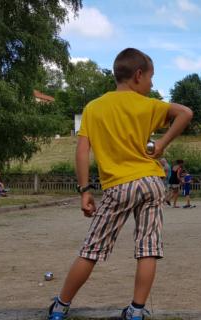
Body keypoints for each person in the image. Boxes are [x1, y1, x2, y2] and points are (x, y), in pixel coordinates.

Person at [47, 48, 192, 320]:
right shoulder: (148, 105)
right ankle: (136, 311)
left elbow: (81, 151)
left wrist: (84, 191)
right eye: (150, 78)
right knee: (148, 249)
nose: (151, 84)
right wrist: (161, 144)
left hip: (119, 186)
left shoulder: (94, 108)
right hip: (151, 183)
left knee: (91, 250)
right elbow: (185, 112)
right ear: (138, 76)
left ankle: (60, 307)